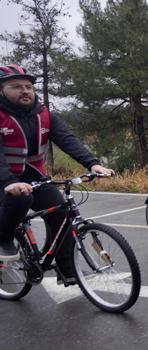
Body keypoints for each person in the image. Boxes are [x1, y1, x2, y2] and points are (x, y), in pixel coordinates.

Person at [0, 64, 113, 284]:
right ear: (2, 90)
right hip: (4, 178)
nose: (25, 90)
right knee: (21, 198)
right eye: (16, 86)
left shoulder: (44, 114)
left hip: (33, 175)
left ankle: (67, 270)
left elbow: (67, 140)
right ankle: (4, 239)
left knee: (61, 214)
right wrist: (9, 182)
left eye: (28, 86)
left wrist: (93, 164)